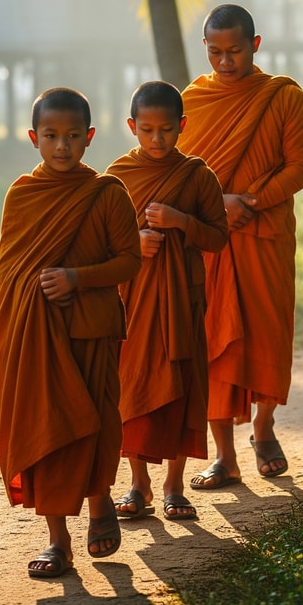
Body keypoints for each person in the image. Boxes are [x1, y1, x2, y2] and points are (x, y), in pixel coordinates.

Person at [0, 87, 142, 578]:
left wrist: (77, 278)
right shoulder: (22, 194)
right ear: (34, 138)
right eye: (52, 136)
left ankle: (99, 503)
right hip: (34, 333)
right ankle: (57, 539)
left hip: (90, 331)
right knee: (48, 429)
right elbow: (11, 273)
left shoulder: (106, 192)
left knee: (94, 422)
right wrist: (27, 307)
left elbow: (128, 261)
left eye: (73, 136)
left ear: (90, 137)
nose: (62, 146)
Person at [178, 4, 303, 490]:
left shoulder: (284, 97)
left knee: (265, 330)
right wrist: (219, 204)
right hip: (210, 239)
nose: (225, 61)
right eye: (215, 52)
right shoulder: (193, 100)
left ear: (255, 45)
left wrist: (249, 201)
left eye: (234, 51)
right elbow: (182, 171)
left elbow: (300, 167)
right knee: (210, 339)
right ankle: (224, 455)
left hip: (262, 233)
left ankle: (263, 426)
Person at [105, 81, 229, 523]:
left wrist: (181, 222)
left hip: (182, 299)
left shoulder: (197, 174)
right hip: (132, 298)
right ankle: (138, 485)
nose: (157, 140)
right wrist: (133, 244)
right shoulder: (116, 175)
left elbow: (218, 236)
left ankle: (174, 487)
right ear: (132, 127)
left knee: (181, 385)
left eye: (166, 130)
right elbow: (99, 240)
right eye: (147, 129)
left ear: (182, 126)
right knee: (133, 387)